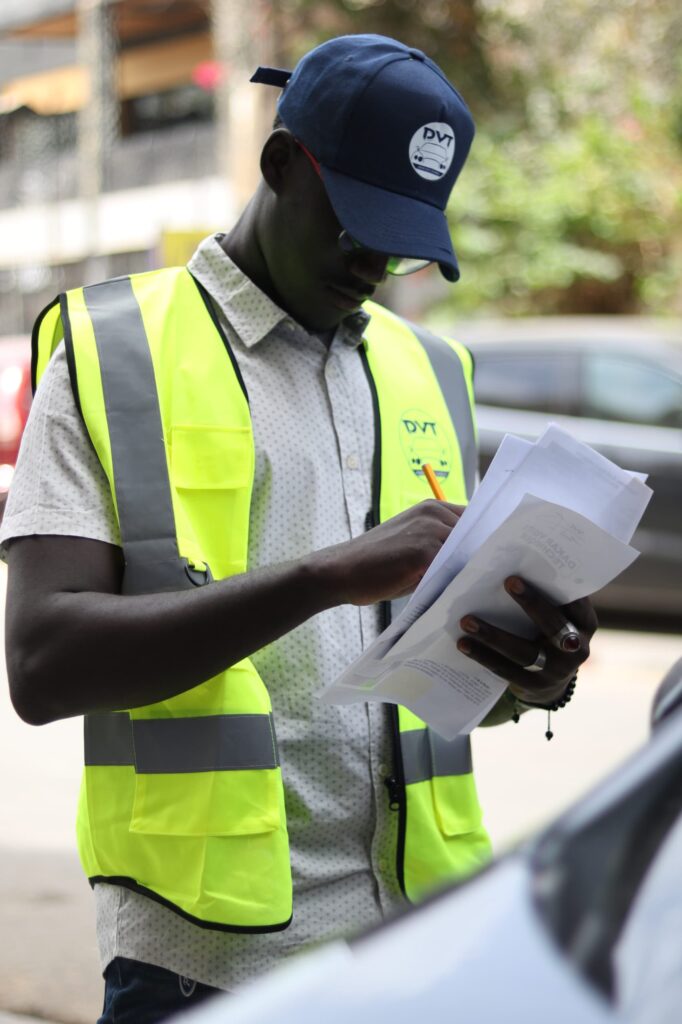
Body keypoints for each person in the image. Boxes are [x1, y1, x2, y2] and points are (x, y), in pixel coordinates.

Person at [2, 33, 596, 1023]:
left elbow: (430, 686)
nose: (377, 261)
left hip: (415, 945)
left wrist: (528, 675)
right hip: (201, 962)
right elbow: (42, 661)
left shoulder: (431, 371)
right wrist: (320, 576)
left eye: (406, 238)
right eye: (357, 222)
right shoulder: (111, 350)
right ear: (282, 165)